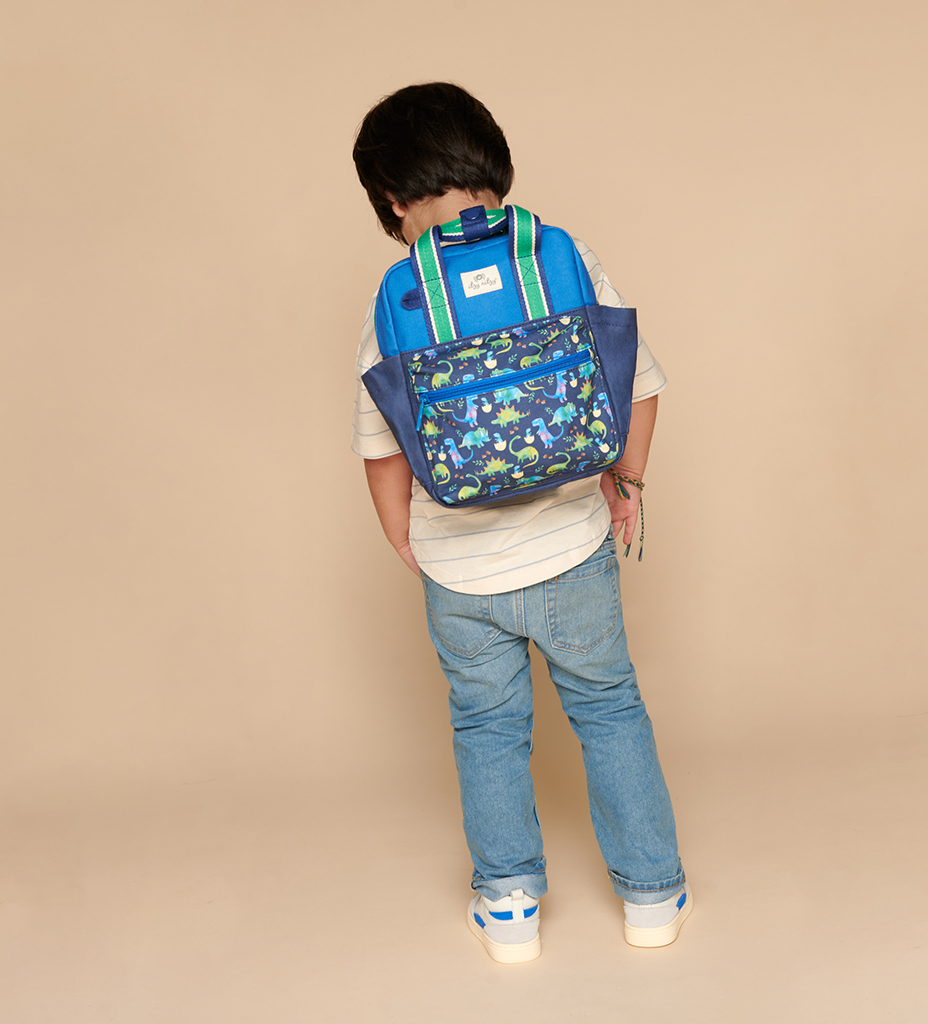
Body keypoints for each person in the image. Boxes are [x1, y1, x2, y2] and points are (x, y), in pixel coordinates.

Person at [351, 82, 690, 963]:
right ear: (494, 164)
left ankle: (509, 910)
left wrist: (406, 536)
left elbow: (381, 447)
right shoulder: (559, 256)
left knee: (487, 729)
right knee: (609, 710)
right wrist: (629, 484)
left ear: (392, 201)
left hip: (460, 574)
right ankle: (653, 898)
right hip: (574, 548)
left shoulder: (401, 294)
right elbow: (639, 386)